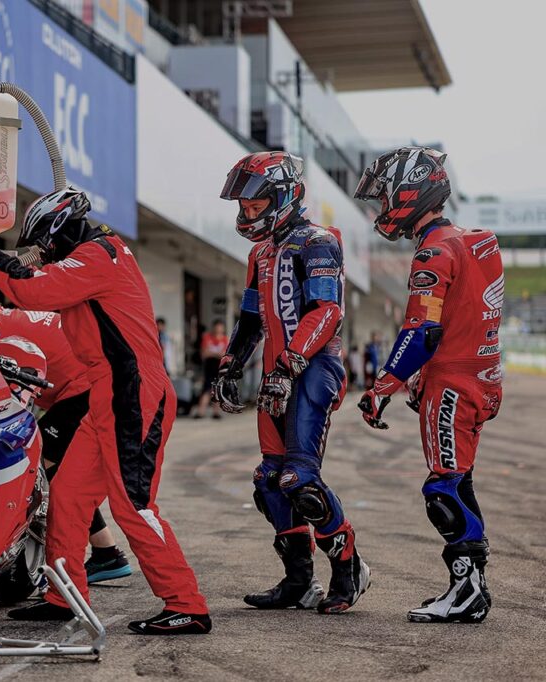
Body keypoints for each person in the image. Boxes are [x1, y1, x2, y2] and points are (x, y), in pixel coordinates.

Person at [0, 186, 210, 635]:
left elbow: (35, 289)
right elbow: (39, 280)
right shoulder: (96, 256)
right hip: (108, 393)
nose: (43, 252)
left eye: (44, 243)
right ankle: (63, 596)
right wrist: (1, 261)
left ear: (59, 229)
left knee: (133, 506)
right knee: (67, 495)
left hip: (132, 392)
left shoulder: (98, 256)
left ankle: (187, 604)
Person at [212, 151, 370, 614]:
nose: (247, 214)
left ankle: (349, 569)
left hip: (314, 370)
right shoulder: (260, 253)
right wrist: (229, 366)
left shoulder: (318, 242)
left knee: (299, 479)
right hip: (277, 373)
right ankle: (299, 582)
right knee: (269, 481)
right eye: (243, 206)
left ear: (284, 196)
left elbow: (327, 311)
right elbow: (249, 319)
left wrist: (290, 364)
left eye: (255, 205)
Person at [354, 146, 502, 623]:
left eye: (384, 197)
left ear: (409, 193)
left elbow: (422, 330)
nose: (381, 208)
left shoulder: (434, 252)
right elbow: (466, 317)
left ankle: (467, 591)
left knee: (443, 492)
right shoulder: (478, 243)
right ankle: (471, 589)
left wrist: (383, 386)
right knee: (459, 482)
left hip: (452, 384)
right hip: (481, 378)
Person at [0, 304, 131, 583]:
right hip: (98, 383)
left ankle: (17, 551)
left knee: (31, 465)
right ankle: (106, 552)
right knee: (57, 473)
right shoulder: (7, 318)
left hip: (87, 387)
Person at [194, 319, 228, 419]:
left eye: (220, 327)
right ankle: (200, 412)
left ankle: (216, 412)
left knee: (217, 389)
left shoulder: (225, 339)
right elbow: (204, 354)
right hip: (209, 366)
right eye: (217, 327)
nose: (218, 329)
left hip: (220, 367)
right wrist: (217, 354)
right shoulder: (207, 337)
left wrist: (212, 353)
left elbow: (225, 355)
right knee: (206, 389)